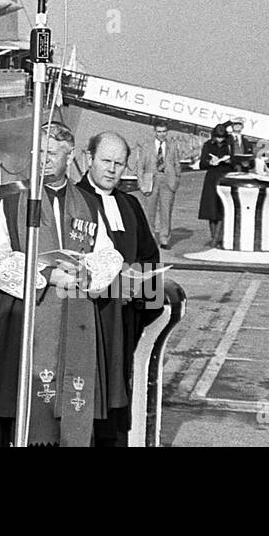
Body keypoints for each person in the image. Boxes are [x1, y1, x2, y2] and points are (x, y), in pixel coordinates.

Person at [0, 122, 125, 446]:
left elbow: (108, 254)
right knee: (26, 416)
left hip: (77, 325)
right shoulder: (12, 200)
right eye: (40, 152)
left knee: (74, 410)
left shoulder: (88, 203)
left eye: (52, 153)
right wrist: (46, 275)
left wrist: (86, 273)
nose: (44, 159)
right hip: (28, 323)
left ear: (70, 156)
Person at [75, 132, 163, 446]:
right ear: (88, 159)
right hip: (88, 318)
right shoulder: (74, 201)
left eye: (119, 163)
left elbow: (150, 255)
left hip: (124, 319)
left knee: (117, 390)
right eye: (106, 161)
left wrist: (138, 289)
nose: (112, 170)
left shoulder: (131, 204)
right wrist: (112, 286)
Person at [134, 122, 181, 249]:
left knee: (166, 212)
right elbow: (140, 167)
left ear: (167, 132)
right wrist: (141, 184)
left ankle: (165, 239)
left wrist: (176, 180)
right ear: (155, 131)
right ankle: (151, 238)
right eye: (159, 131)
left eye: (164, 131)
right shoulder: (147, 146)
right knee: (150, 212)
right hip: (151, 181)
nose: (161, 134)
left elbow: (177, 164)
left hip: (168, 181)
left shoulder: (172, 146)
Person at [196, 123, 232, 245]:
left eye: (222, 137)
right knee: (211, 209)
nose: (220, 139)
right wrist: (209, 162)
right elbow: (202, 164)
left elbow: (236, 161)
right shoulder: (208, 145)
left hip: (225, 178)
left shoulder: (229, 145)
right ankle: (214, 237)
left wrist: (229, 160)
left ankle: (217, 238)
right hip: (212, 178)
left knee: (223, 208)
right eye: (218, 137)